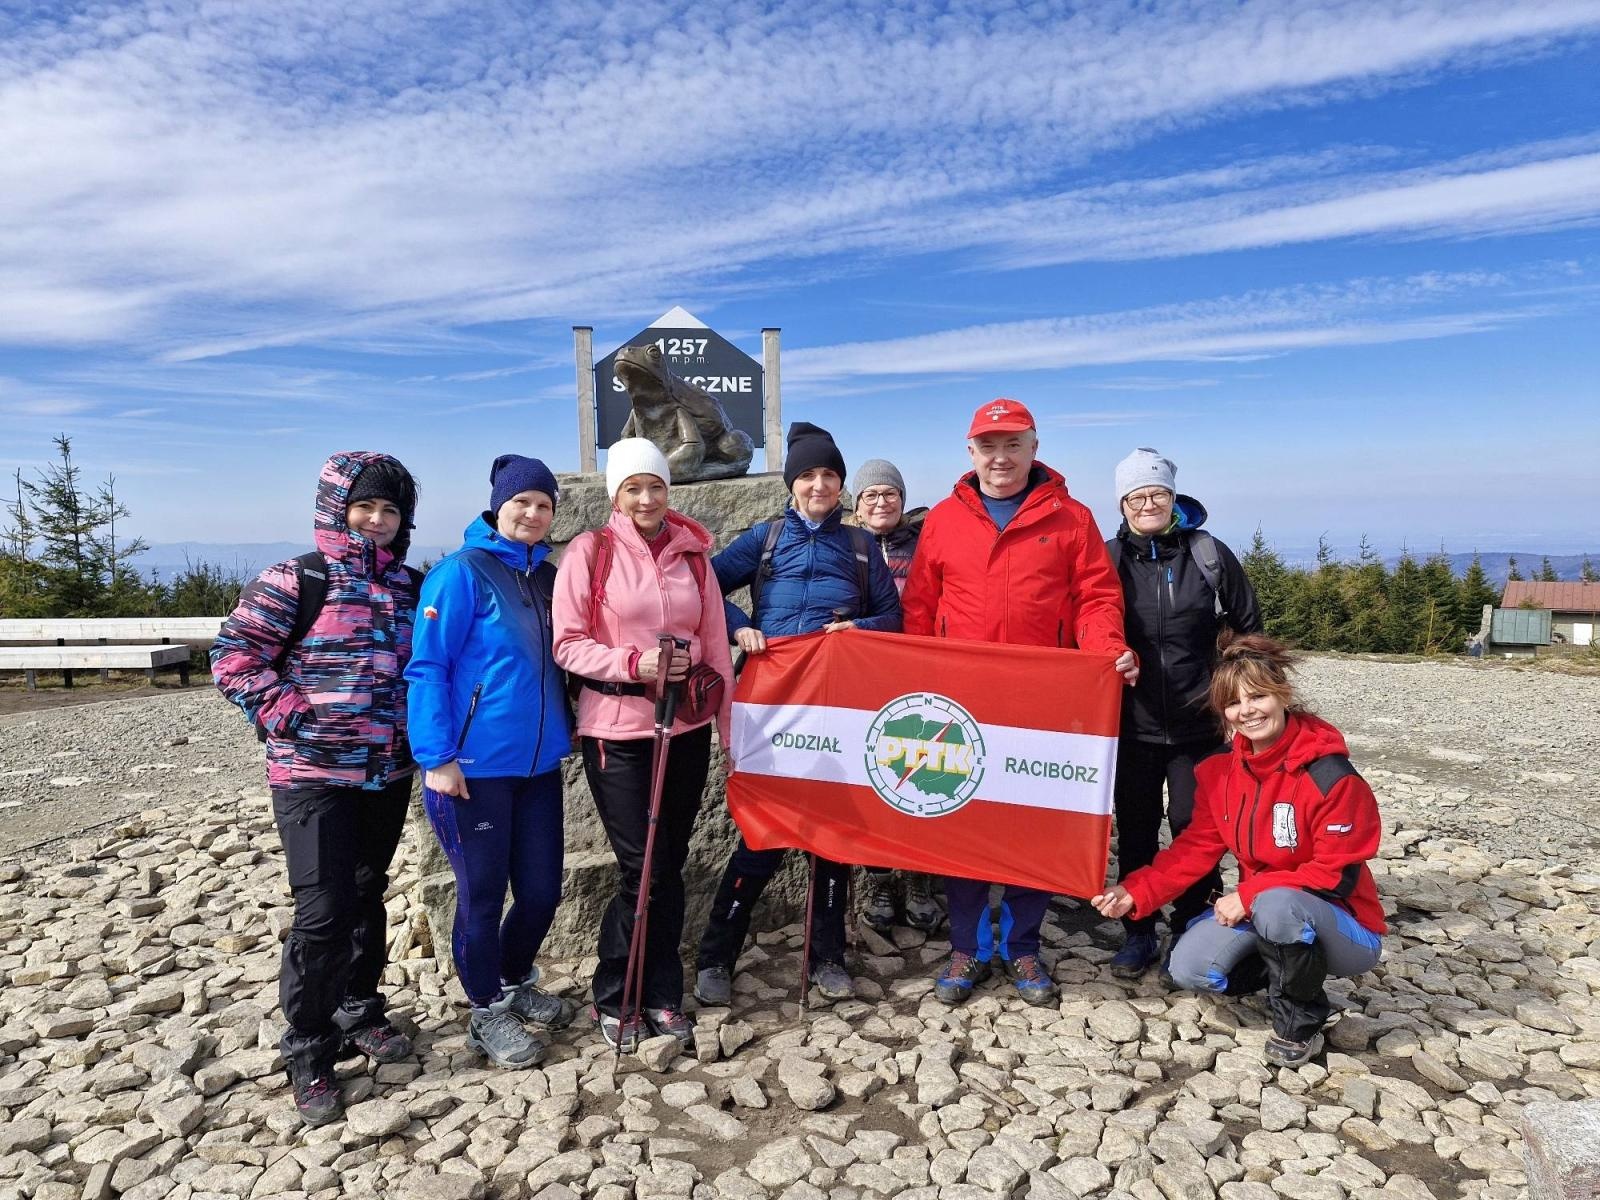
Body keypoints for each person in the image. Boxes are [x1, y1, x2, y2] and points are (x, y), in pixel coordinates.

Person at [901, 399, 1137, 1006]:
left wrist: (1106, 651)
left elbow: (1095, 598)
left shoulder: (1072, 518)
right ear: (970, 450)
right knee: (961, 821)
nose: (1000, 457)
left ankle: (1023, 945)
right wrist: (917, 684)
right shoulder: (943, 520)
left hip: (1043, 700)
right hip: (961, 700)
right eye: (988, 445)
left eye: (1013, 444)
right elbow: (921, 606)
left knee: (1035, 821)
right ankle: (968, 945)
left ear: (1034, 447)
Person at [211, 451, 422, 1127]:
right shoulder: (295, 579)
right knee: (324, 910)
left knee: (366, 892)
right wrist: (293, 717)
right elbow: (233, 657)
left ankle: (360, 1008)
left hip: (387, 771)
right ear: (337, 508)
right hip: (312, 775)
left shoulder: (411, 587)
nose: (377, 520)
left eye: (390, 510)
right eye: (365, 507)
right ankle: (308, 1045)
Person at [1091, 635, 1385, 1066]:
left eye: (1258, 696)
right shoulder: (1219, 771)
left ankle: (1301, 1019)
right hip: (1264, 908)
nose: (1247, 711)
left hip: (1347, 926)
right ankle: (1286, 974)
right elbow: (1194, 849)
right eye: (1233, 702)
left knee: (1279, 905)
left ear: (1283, 694)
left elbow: (1335, 874)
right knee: (1188, 968)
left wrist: (1248, 895)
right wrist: (1135, 892)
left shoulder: (1332, 776)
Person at [693, 422, 902, 1007]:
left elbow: (893, 617)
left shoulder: (860, 547)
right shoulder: (765, 538)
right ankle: (716, 956)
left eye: (829, 475)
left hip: (837, 708)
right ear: (792, 484)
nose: (819, 485)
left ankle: (827, 956)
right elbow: (704, 586)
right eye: (807, 475)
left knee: (833, 835)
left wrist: (859, 628)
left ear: (841, 485)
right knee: (762, 832)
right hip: (773, 707)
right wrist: (740, 627)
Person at [552, 438, 734, 1052]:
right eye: (633, 487)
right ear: (616, 494)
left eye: (656, 486)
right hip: (618, 730)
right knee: (643, 867)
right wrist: (635, 663)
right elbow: (567, 643)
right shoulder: (591, 551)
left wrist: (728, 731)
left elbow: (714, 645)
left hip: (685, 727)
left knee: (669, 865)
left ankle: (661, 993)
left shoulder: (694, 556)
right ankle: (616, 993)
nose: (647, 498)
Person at [404, 455, 572, 1071]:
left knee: (541, 891)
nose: (532, 513)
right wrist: (437, 756)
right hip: (472, 769)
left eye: (544, 504)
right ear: (498, 506)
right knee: (481, 895)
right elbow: (428, 667)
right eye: (521, 501)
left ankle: (513, 977)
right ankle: (485, 1008)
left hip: (538, 765)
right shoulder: (460, 573)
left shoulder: (548, 576)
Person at [1105, 448, 1262, 981]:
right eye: (1136, 496)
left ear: (1174, 498)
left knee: (1195, 826)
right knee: (1137, 827)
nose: (1147, 504)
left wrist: (1239, 697)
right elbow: (1086, 628)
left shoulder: (1208, 554)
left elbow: (1249, 629)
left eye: (1157, 494)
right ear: (1122, 504)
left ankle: (1191, 921)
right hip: (1132, 723)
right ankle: (1138, 930)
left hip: (1202, 725)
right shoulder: (1108, 559)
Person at [850, 458, 940, 935]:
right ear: (856, 504)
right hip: (866, 682)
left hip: (924, 678)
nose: (881, 502)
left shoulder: (926, 542)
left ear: (903, 499)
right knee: (876, 782)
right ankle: (881, 879)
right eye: (871, 494)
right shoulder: (845, 544)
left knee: (926, 774)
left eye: (890, 493)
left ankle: (921, 876)